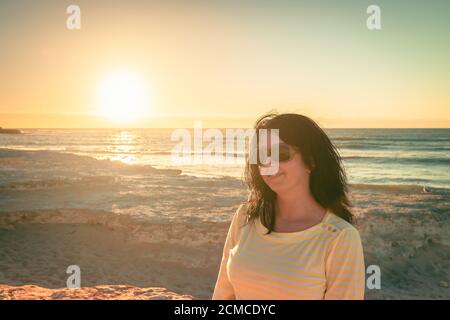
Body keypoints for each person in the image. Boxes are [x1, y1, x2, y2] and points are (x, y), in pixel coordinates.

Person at [212, 113, 365, 299]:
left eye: (281, 154)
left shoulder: (340, 237)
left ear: (311, 161)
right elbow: (223, 295)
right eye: (261, 156)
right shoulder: (245, 217)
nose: (268, 163)